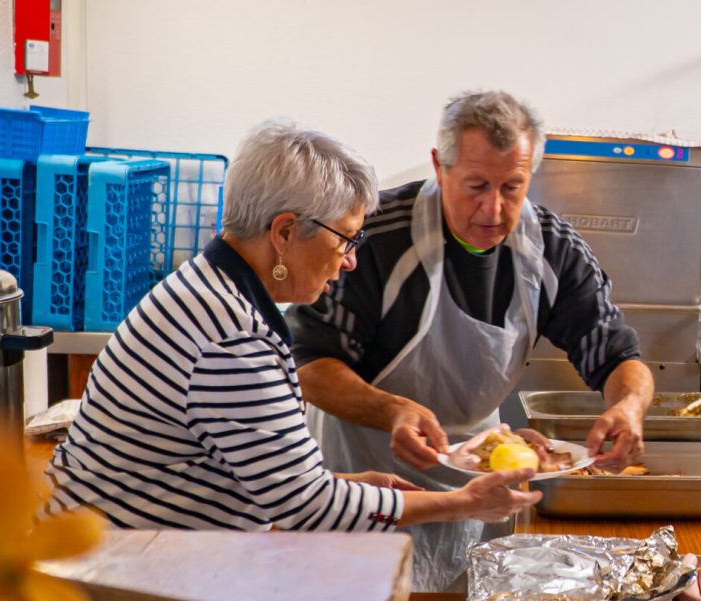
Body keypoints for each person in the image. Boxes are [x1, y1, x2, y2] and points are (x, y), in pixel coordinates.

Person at [42, 118, 541, 532]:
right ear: (283, 231)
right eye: (345, 239)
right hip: (112, 573)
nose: (349, 260)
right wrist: (465, 503)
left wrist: (345, 486)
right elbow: (307, 507)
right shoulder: (230, 338)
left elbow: (268, 479)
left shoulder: (210, 287)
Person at [288, 90, 653, 590]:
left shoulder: (552, 249)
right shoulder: (375, 237)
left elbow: (616, 354)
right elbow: (309, 364)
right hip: (368, 474)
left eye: (512, 188)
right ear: (440, 168)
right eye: (476, 185)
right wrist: (392, 411)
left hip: (477, 472)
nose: (493, 208)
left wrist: (629, 406)